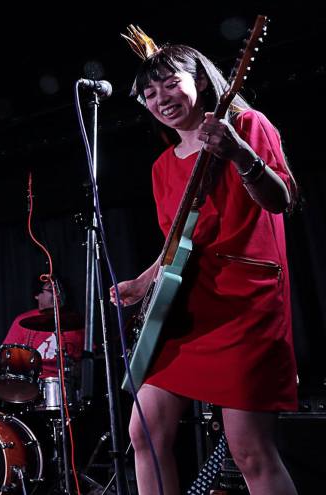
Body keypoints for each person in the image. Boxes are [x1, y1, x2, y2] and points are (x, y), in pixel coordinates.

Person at [112, 27, 299, 495]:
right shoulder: (162, 166)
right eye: (149, 94)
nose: (161, 98)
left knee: (250, 450)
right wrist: (142, 282)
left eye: (170, 83)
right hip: (186, 312)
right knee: (144, 432)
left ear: (199, 79)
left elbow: (280, 200)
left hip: (245, 302)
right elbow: (177, 241)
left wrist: (238, 152)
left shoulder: (248, 125)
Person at [2, 279, 83, 378]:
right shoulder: (22, 321)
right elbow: (7, 356)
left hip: (66, 381)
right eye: (51, 289)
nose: (57, 294)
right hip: (34, 382)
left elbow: (87, 358)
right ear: (37, 295)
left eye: (59, 290)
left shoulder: (74, 322)